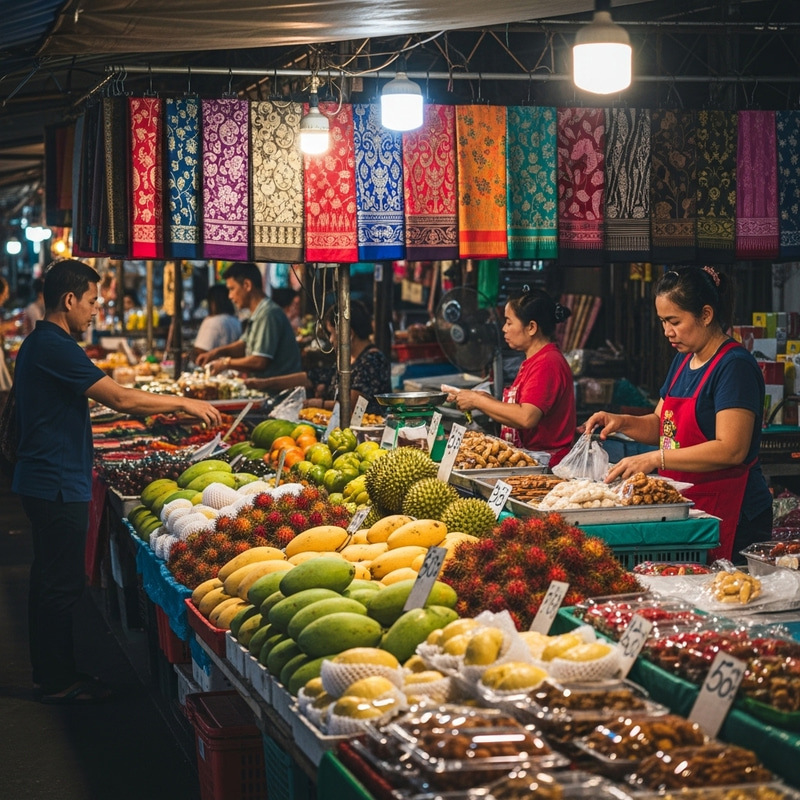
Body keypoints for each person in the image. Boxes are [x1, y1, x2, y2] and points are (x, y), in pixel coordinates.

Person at [12, 259, 222, 705]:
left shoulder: (41, 342)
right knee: (59, 583)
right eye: (91, 301)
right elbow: (122, 398)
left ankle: (50, 673)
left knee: (49, 580)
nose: (95, 310)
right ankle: (56, 680)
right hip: (55, 480)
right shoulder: (54, 345)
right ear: (69, 300)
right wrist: (181, 403)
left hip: (46, 475)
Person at [584, 265, 772, 564]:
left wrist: (654, 458)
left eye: (674, 321)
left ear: (706, 315)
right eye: (662, 321)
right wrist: (620, 422)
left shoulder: (734, 366)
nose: (667, 331)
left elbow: (731, 448)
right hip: (688, 506)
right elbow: (662, 425)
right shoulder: (683, 361)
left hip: (733, 512)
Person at [447, 288, 576, 467]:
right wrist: (482, 399)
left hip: (547, 467)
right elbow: (518, 412)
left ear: (531, 327)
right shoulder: (535, 360)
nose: (504, 329)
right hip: (531, 461)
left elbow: (526, 417)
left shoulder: (547, 363)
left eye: (509, 322)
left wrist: (477, 400)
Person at [244, 300, 392, 415]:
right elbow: (314, 377)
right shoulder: (348, 360)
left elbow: (352, 406)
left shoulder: (372, 360)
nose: (331, 340)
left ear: (349, 333)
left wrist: (317, 404)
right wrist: (263, 383)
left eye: (332, 333)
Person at [195, 262, 302, 379]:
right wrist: (216, 352)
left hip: (280, 393)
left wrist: (225, 363)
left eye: (232, 289)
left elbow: (259, 361)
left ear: (247, 285)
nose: (230, 296)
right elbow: (244, 345)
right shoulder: (258, 312)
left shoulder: (268, 313)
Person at [192, 283, 242, 362]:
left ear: (212, 302)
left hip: (214, 370)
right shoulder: (236, 321)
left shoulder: (212, 321)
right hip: (233, 369)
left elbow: (201, 351)